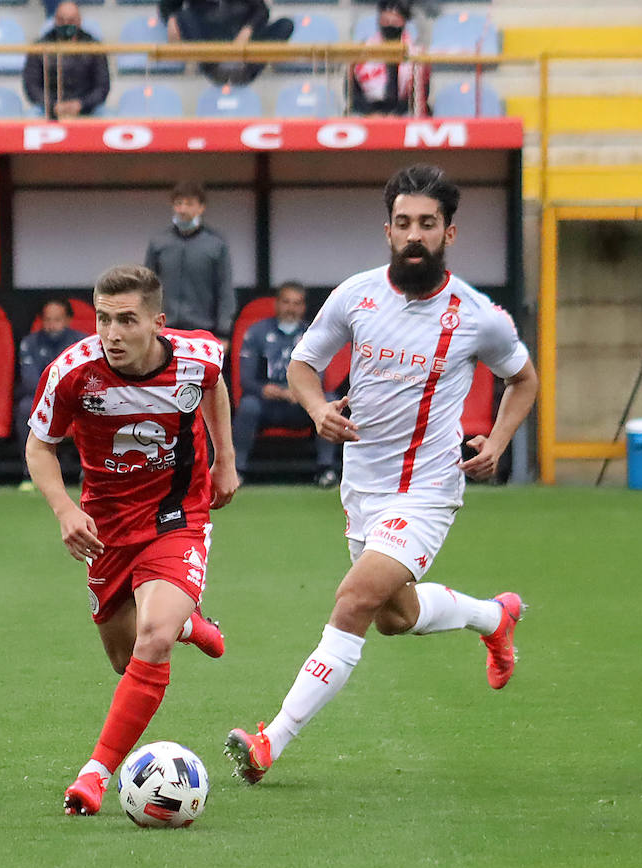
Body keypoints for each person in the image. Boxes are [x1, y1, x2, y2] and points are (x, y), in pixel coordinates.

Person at [224, 164, 539, 787]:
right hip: (363, 487)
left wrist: (498, 442)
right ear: (387, 230)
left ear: (450, 232)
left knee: (352, 601)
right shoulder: (356, 295)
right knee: (392, 616)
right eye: (403, 223)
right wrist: (316, 411)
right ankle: (493, 618)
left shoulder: (479, 316)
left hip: (428, 489)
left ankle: (270, 739)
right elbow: (304, 364)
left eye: (427, 223)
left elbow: (522, 379)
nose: (413, 235)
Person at [25, 263, 239, 816]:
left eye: (126, 320)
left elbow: (214, 388)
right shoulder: (74, 372)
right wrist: (65, 509)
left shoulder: (199, 355)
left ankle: (94, 776)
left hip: (177, 517)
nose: (112, 334)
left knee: (153, 638)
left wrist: (225, 461)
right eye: (102, 319)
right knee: (127, 661)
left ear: (158, 323)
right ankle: (188, 620)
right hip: (107, 531)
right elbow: (39, 446)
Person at [232, 281, 338, 487]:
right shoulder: (257, 332)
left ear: (304, 307)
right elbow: (246, 380)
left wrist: (301, 392)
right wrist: (266, 389)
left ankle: (327, 470)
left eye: (297, 303)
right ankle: (237, 470)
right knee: (248, 406)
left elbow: (320, 377)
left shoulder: (313, 334)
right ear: (277, 304)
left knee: (331, 402)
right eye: (286, 302)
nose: (291, 308)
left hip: (303, 404)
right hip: (267, 402)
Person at [143, 180, 236, 344]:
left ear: (201, 207)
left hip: (203, 330)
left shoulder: (216, 244)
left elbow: (224, 289)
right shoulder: (159, 242)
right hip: (164, 329)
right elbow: (147, 287)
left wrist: (224, 332)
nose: (183, 209)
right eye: (178, 203)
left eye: (189, 204)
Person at [14, 298, 85, 490]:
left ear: (68, 319)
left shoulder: (82, 343)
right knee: (23, 408)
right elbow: (30, 380)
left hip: (73, 398)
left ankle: (89, 472)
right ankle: (29, 473)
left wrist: (66, 397)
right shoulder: (30, 343)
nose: (52, 325)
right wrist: (53, 398)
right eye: (48, 319)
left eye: (58, 319)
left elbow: (84, 378)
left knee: (93, 405)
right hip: (41, 399)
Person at [161, 0, 294, 86]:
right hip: (208, 39)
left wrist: (247, 30)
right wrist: (172, 21)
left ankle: (246, 71)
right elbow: (168, 7)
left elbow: (262, 11)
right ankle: (212, 67)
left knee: (285, 25)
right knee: (183, 17)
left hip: (242, 41)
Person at [23, 2, 110, 121]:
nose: (66, 24)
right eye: (61, 20)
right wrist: (53, 105)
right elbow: (31, 86)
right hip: (49, 107)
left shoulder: (94, 47)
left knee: (107, 117)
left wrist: (81, 104)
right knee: (31, 117)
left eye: (71, 20)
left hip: (87, 108)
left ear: (79, 21)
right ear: (55, 21)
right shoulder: (40, 47)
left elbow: (102, 87)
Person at [350, 0, 430, 117]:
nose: (390, 24)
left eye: (395, 21)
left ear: (404, 21)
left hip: (404, 110)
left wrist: (396, 115)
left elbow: (420, 94)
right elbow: (352, 93)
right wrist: (372, 113)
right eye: (386, 20)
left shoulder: (416, 53)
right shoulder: (362, 51)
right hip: (369, 110)